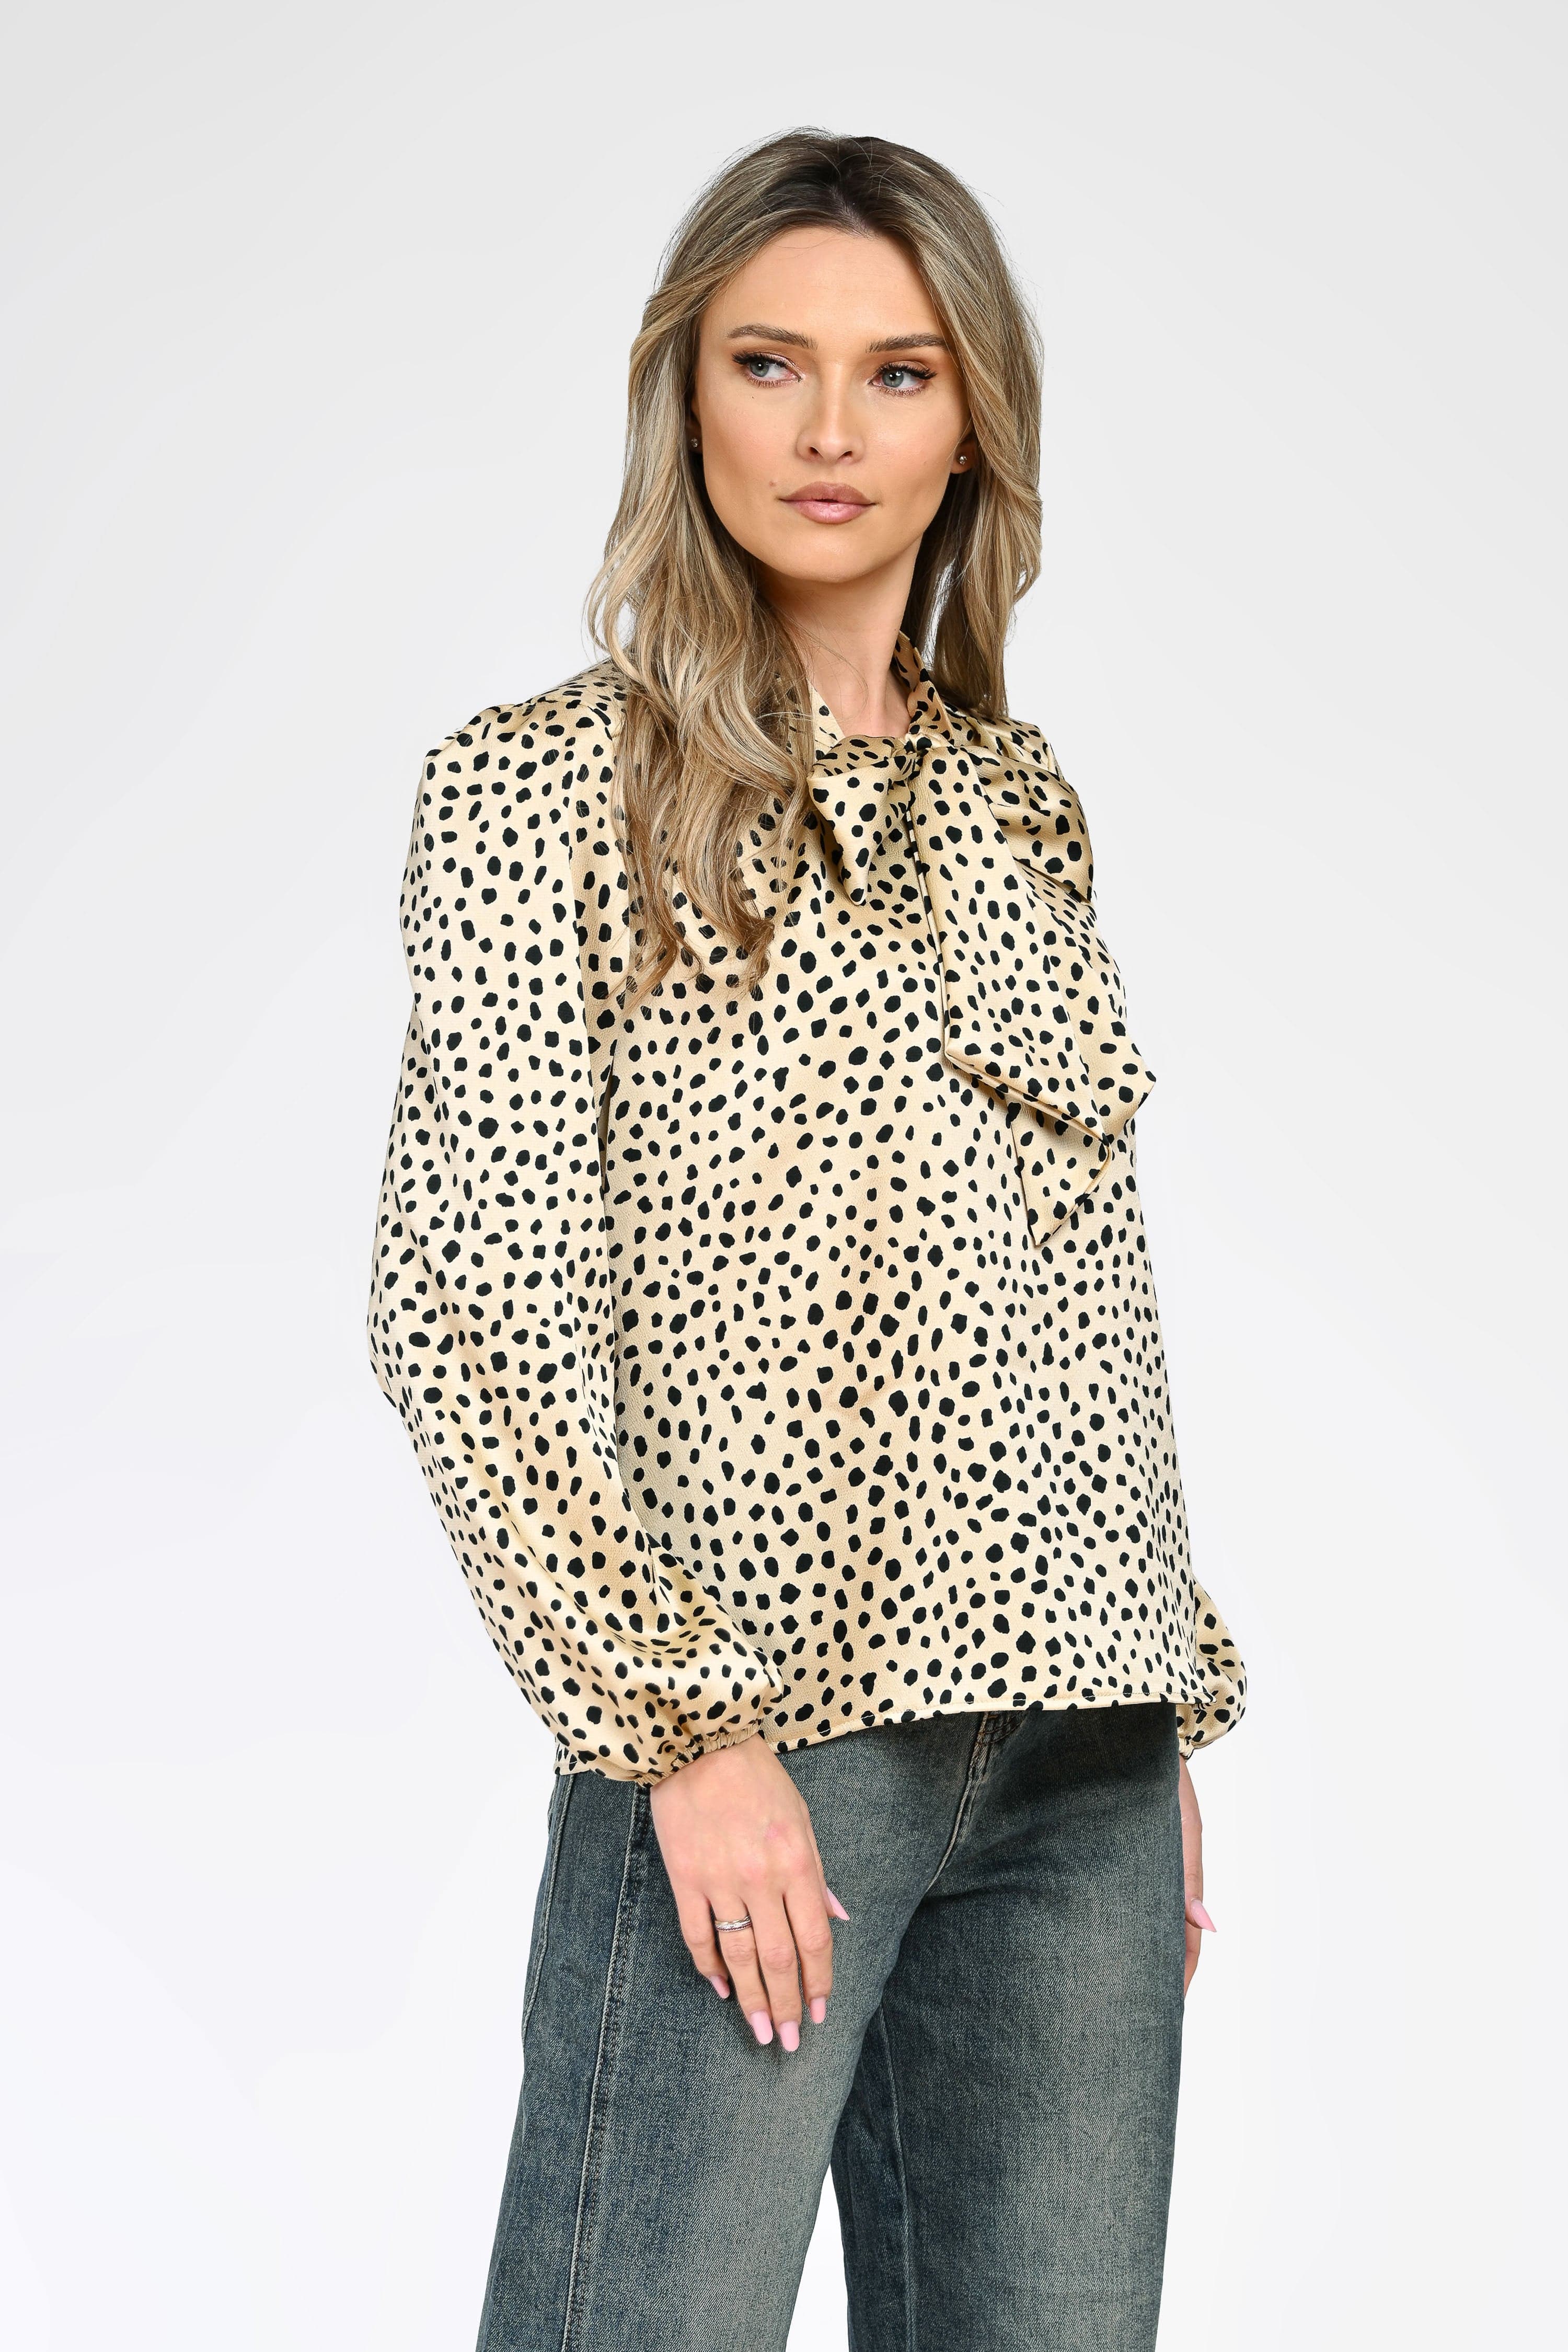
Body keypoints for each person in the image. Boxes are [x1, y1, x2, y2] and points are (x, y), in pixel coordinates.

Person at [367, 127, 1246, 2352]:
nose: (831, 429)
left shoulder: (1017, 805)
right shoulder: (541, 791)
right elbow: (470, 1303)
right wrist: (676, 1734)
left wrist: (1149, 1694)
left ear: (974, 426)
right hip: (758, 1742)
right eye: (770, 363)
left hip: (1077, 1760)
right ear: (687, 396)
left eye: (899, 372)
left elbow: (1085, 1293)